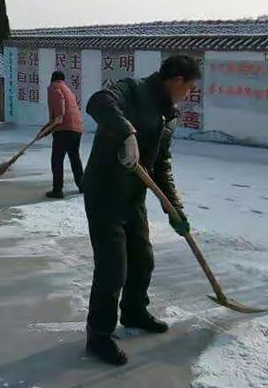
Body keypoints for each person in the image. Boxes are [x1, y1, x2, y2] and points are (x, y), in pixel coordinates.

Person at [83, 55, 201, 366]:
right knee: (112, 269)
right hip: (105, 193)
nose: (188, 95)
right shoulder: (131, 90)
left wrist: (175, 209)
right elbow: (97, 101)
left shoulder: (168, 115)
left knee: (142, 259)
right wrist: (126, 132)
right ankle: (99, 336)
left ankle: (134, 311)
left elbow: (161, 164)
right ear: (177, 81)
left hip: (133, 197)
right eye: (189, 88)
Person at [41, 71, 84, 199]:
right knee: (74, 157)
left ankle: (57, 190)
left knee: (57, 160)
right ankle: (82, 186)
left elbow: (60, 111)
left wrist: (56, 120)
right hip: (77, 129)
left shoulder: (54, 87)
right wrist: (46, 129)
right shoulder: (68, 90)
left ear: (52, 79)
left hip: (64, 129)